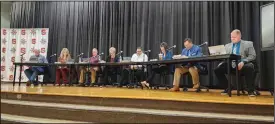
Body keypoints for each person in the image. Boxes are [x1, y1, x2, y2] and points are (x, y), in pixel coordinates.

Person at [214, 29, 257, 97]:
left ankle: (250, 90)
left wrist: (243, 61)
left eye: (234, 37)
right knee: (217, 70)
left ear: (240, 36)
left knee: (249, 67)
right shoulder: (227, 46)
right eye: (231, 37)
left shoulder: (248, 44)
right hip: (231, 65)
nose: (232, 38)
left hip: (242, 64)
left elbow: (253, 56)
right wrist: (221, 62)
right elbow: (225, 57)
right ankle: (228, 87)